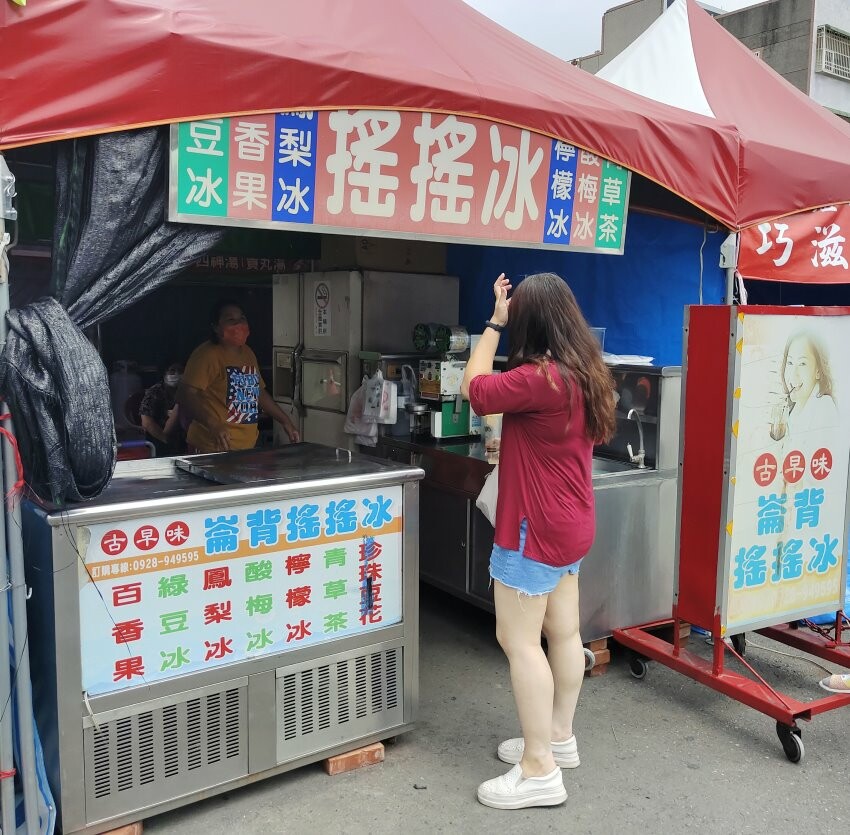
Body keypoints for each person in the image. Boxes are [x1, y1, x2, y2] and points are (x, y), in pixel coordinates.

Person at [460, 272, 615, 810]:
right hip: (571, 524)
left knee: (520, 641)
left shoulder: (538, 377)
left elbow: (475, 390)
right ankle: (558, 737)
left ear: (528, 321)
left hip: (534, 528)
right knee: (564, 633)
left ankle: (539, 769)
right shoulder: (585, 371)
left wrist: (493, 323)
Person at [178, 299, 300, 453]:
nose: (238, 324)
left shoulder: (248, 353)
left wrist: (285, 421)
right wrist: (213, 425)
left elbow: (258, 392)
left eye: (242, 318)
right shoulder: (206, 355)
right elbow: (186, 394)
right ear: (216, 327)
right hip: (211, 446)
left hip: (245, 446)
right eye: (231, 320)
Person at [139, 362, 184, 456]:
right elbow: (147, 422)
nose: (176, 374)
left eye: (180, 371)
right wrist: (165, 440)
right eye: (172, 371)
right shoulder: (154, 392)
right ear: (164, 373)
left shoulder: (185, 391)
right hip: (158, 438)